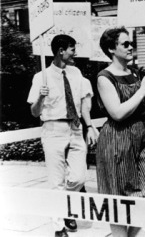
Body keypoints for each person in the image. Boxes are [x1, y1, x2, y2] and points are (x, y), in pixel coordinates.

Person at [96, 27, 145, 237]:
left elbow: (137, 109)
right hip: (117, 141)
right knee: (118, 202)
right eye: (124, 44)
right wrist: (142, 91)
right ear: (111, 48)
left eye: (130, 43)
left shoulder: (133, 73)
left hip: (139, 139)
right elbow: (117, 113)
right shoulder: (104, 77)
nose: (130, 47)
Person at [27, 34, 98, 237]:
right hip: (53, 130)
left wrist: (89, 126)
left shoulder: (76, 73)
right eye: (72, 49)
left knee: (79, 177)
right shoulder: (41, 77)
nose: (75, 53)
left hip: (75, 130)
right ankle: (59, 227)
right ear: (61, 51)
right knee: (56, 181)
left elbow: (85, 102)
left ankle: (66, 204)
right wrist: (41, 96)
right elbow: (34, 112)